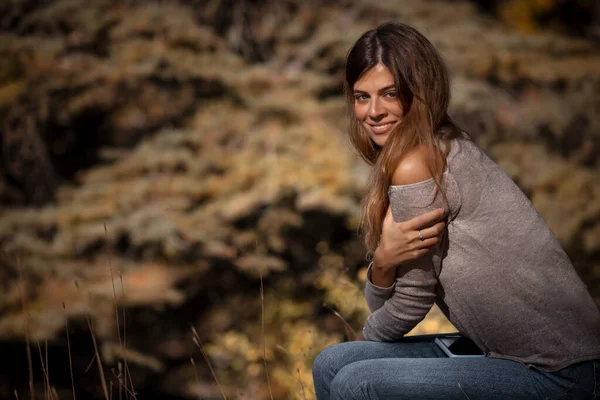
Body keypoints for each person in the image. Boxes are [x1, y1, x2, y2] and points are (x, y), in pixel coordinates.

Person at [312, 22, 600, 399]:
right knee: (331, 363)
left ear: (420, 91)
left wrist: (366, 338)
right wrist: (382, 263)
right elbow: (390, 302)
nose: (374, 112)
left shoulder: (418, 161)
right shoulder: (436, 144)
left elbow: (409, 305)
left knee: (356, 381)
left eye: (390, 94)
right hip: (503, 355)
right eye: (362, 97)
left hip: (563, 372)